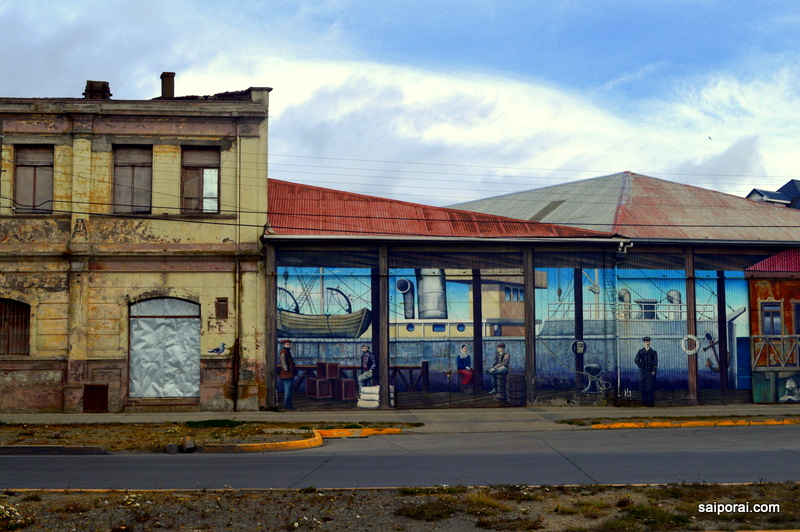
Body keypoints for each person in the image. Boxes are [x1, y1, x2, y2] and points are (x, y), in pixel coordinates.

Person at [635, 336, 658, 407]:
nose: (647, 343)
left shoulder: (653, 352)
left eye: (648, 342)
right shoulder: (641, 351)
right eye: (646, 342)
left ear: (649, 343)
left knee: (650, 387)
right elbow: (636, 360)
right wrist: (641, 366)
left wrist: (654, 370)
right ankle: (644, 402)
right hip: (643, 372)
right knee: (643, 386)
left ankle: (650, 402)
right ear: (644, 343)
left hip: (650, 372)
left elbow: (655, 362)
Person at [278, 339, 297, 410]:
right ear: (283, 345)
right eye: (287, 344)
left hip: (288, 374)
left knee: (289, 391)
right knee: (288, 391)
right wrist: (287, 369)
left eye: (289, 344)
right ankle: (287, 407)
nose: (289, 346)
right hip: (287, 375)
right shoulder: (284, 352)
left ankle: (289, 406)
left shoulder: (286, 352)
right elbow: (283, 362)